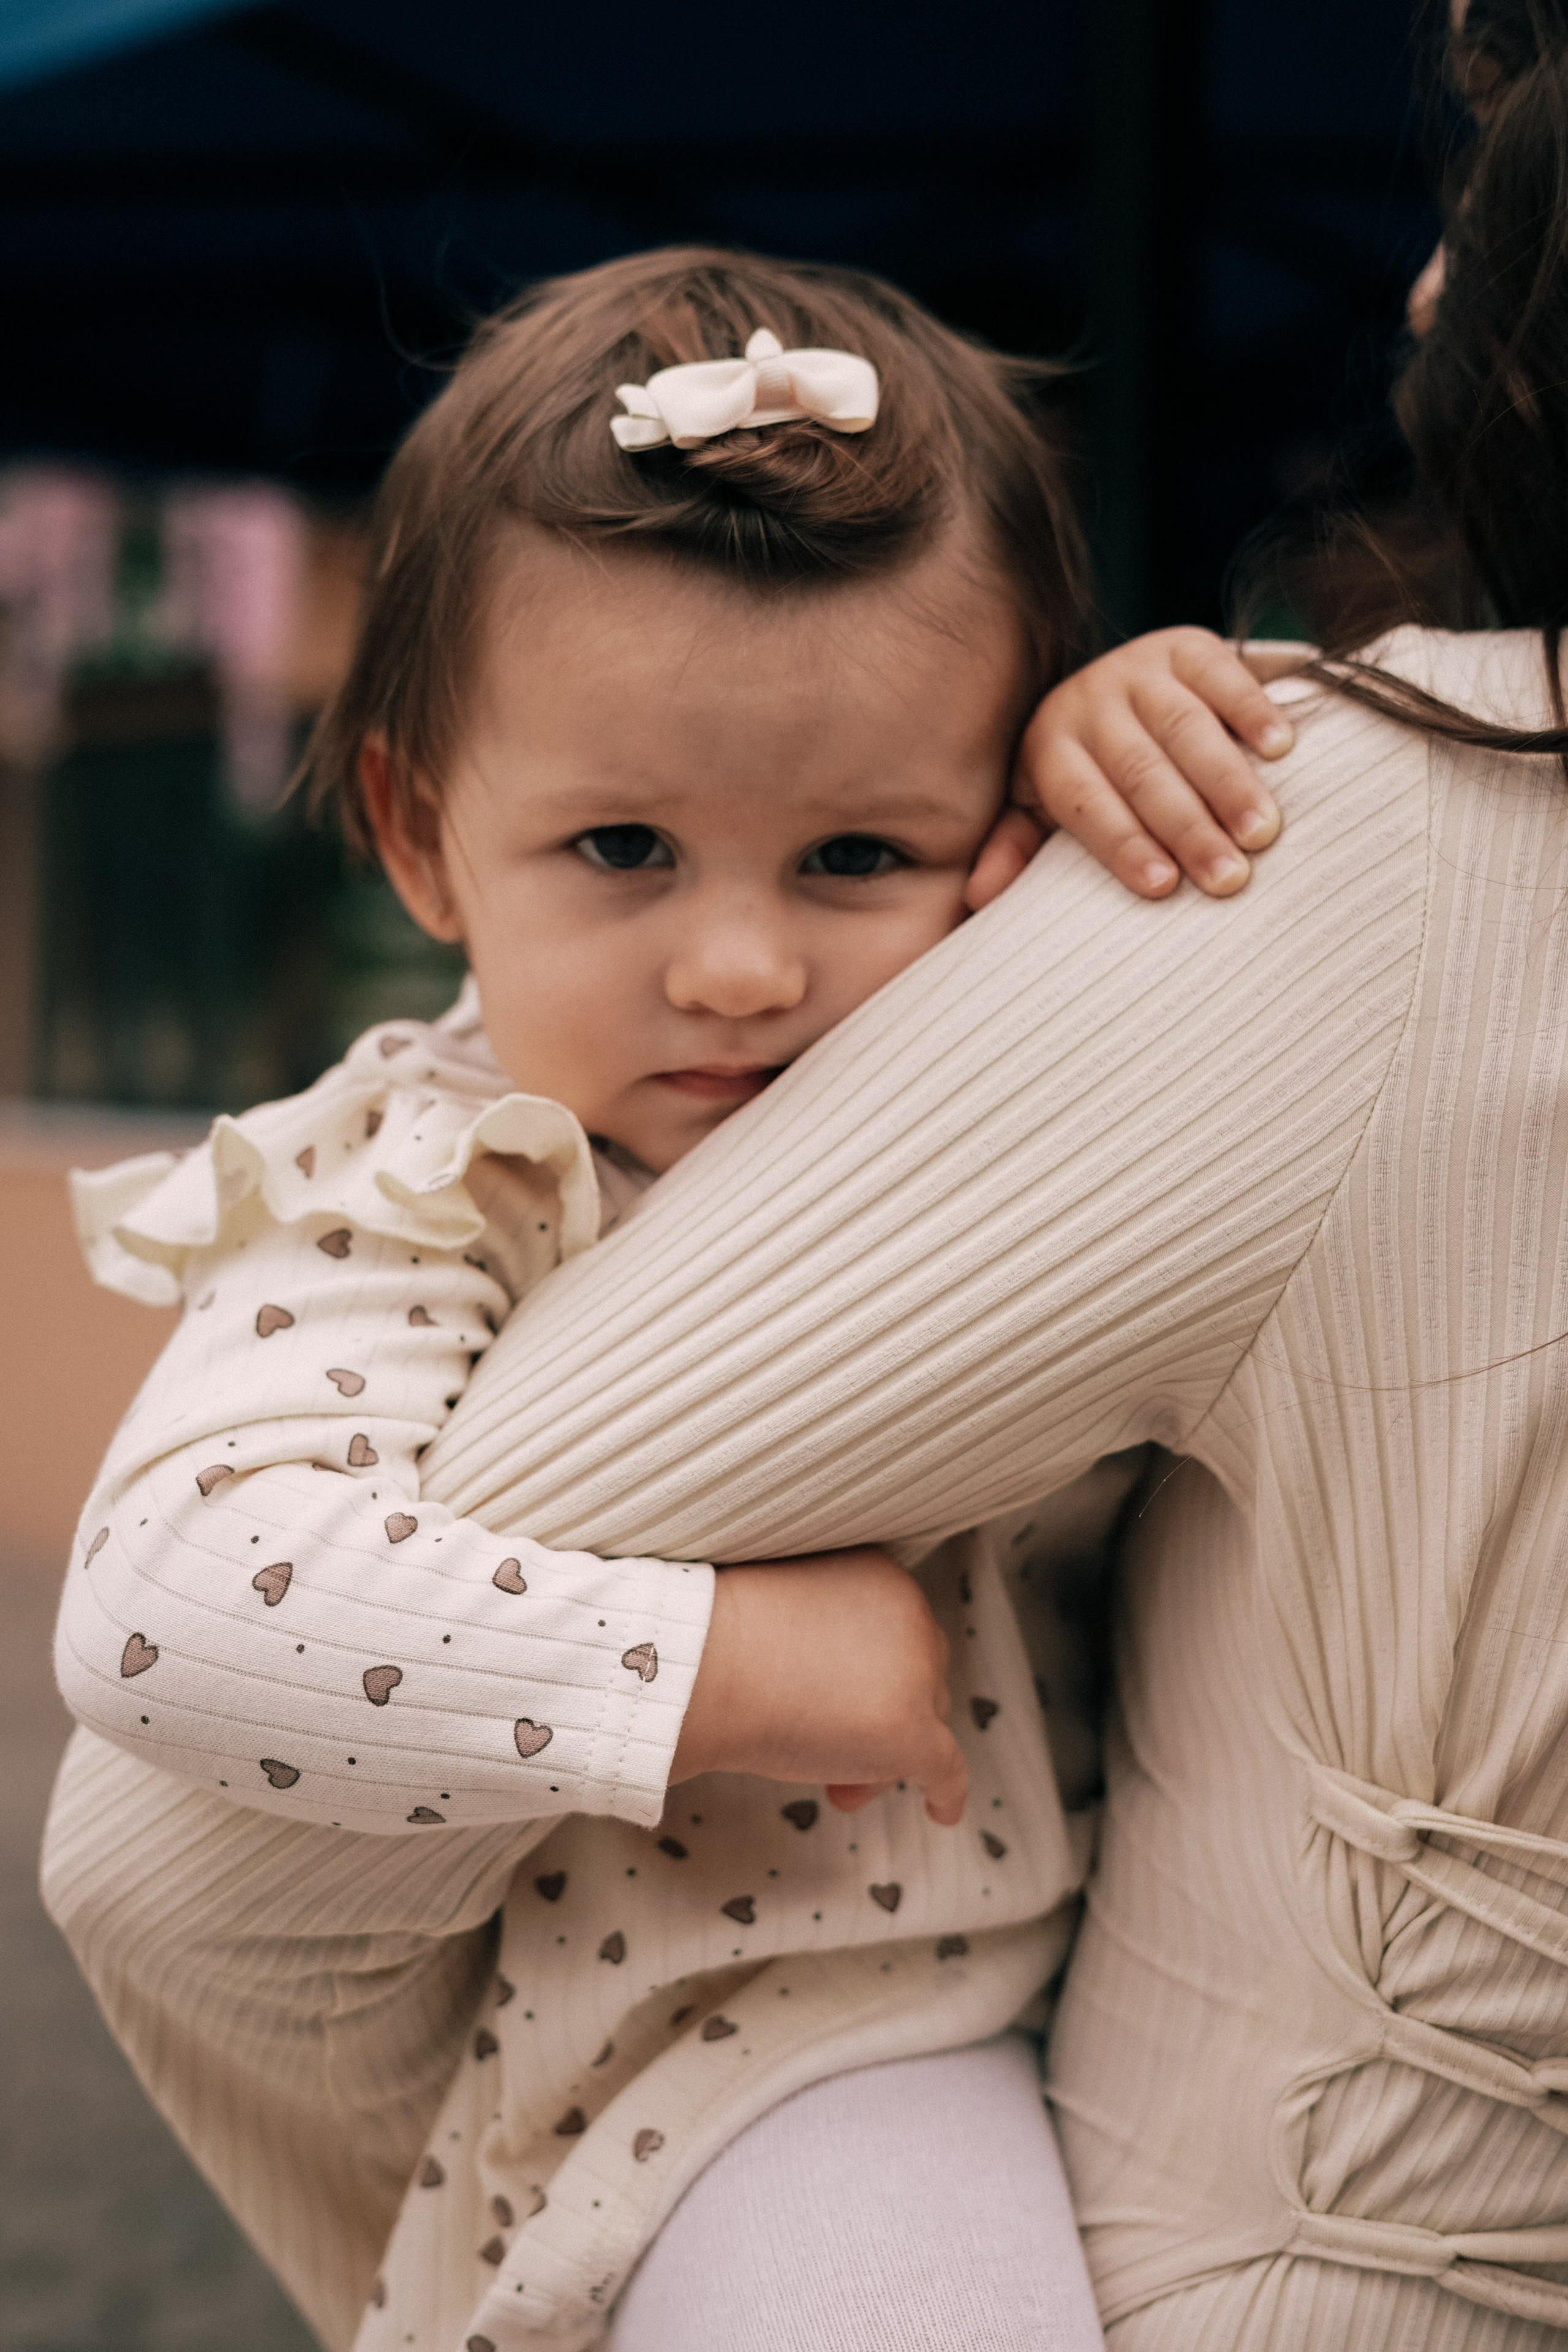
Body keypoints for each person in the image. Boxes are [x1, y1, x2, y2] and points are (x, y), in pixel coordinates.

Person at [43, 248, 1288, 2352]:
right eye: (624, 847)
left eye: (858, 857)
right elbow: (173, 1597)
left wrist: (1113, 784)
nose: (739, 971)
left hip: (1152, 1975)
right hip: (762, 2050)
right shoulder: (444, 1180)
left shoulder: (1002, 1070)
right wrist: (718, 1663)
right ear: (424, 846)